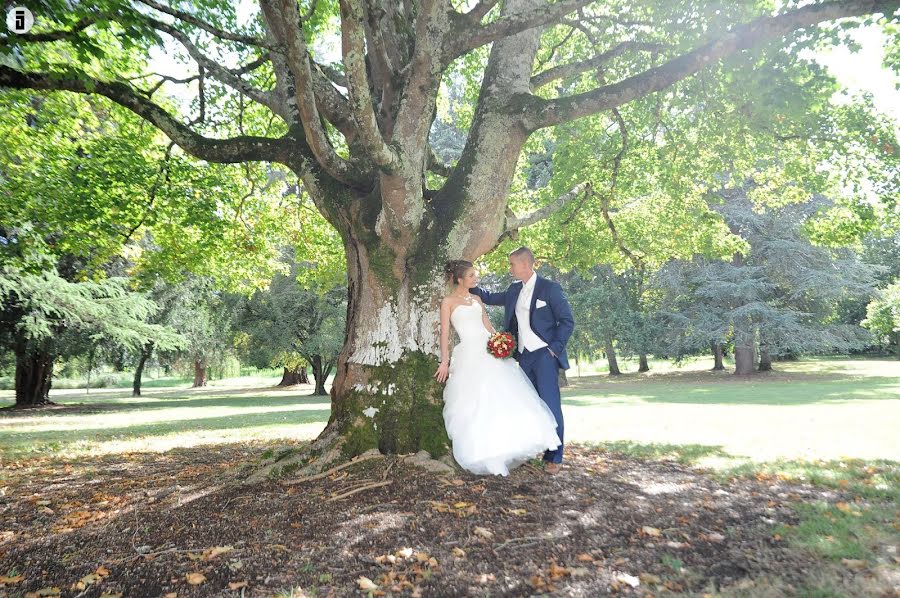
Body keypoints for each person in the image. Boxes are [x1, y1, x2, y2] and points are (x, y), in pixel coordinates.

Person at [434, 259, 561, 476]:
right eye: (472, 276)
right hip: (469, 354)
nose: (476, 279)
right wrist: (444, 361)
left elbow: (487, 325)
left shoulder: (476, 298)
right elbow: (445, 333)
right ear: (460, 279)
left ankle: (508, 445)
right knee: (476, 401)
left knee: (504, 397)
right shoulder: (448, 302)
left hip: (489, 352)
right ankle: (484, 451)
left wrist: (500, 343)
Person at [469, 247, 574, 474]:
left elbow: (567, 321)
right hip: (524, 357)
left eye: (512, 265)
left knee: (550, 405)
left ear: (525, 264)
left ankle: (554, 458)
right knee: (531, 406)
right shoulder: (514, 289)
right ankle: (536, 447)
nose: (510, 269)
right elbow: (488, 297)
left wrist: (554, 350)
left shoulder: (550, 289)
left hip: (545, 356)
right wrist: (465, 283)